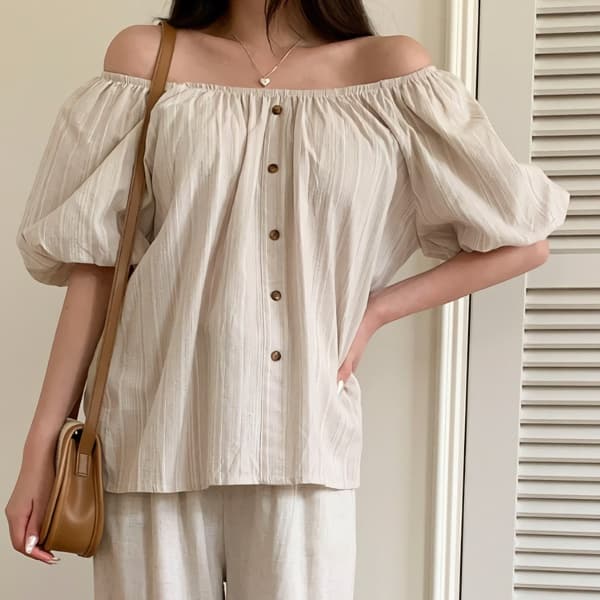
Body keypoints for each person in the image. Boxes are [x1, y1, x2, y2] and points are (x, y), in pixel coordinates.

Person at [5, 0, 570, 598]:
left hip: (303, 437)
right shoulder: (145, 60)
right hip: (152, 429)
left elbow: (523, 240)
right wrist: (41, 444)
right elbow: (97, 266)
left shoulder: (391, 74)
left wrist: (377, 311)